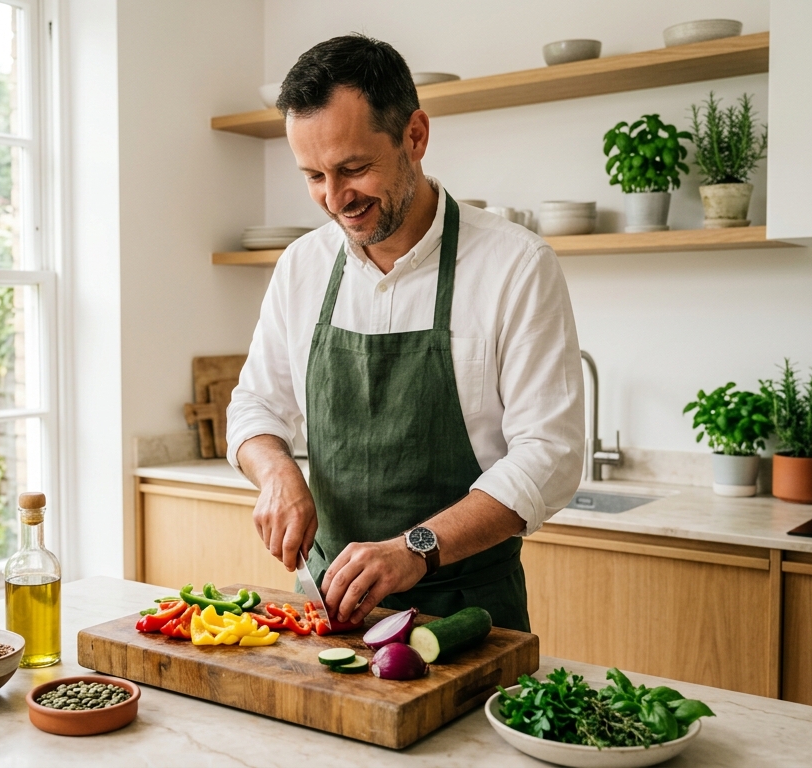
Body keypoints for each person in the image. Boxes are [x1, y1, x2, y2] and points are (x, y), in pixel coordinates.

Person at [226, 34, 584, 631]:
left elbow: (550, 454)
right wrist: (278, 472)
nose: (335, 198)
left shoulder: (515, 266)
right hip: (325, 606)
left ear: (414, 136)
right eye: (313, 175)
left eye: (354, 168)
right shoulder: (302, 266)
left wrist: (415, 547)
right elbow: (256, 405)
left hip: (467, 614)